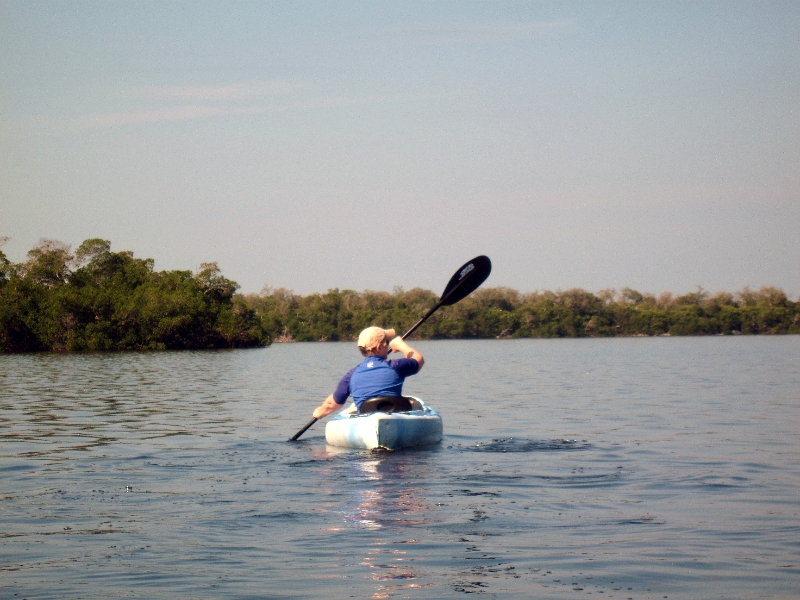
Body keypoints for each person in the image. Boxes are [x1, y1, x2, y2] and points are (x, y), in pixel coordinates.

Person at [312, 326, 424, 419]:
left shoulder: (351, 374)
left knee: (352, 408)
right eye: (387, 342)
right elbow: (418, 359)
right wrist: (400, 345)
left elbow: (332, 404)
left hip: (366, 420)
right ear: (379, 347)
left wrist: (319, 412)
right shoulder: (396, 366)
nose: (389, 345)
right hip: (396, 416)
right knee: (416, 404)